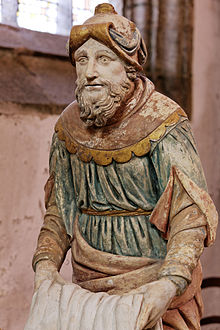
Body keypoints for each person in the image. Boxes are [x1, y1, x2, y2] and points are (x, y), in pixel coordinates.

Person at [29, 3, 218, 329]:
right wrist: (45, 265)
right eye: (82, 60)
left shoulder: (163, 121)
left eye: (103, 59)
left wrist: (169, 282)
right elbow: (61, 209)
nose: (89, 71)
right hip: (88, 292)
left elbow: (190, 216)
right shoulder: (68, 127)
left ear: (129, 67)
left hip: (154, 290)